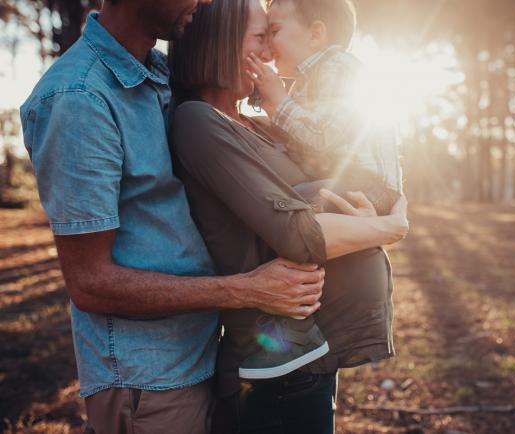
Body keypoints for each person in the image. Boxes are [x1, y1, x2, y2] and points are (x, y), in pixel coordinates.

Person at [19, 0, 353, 432]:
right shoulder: (77, 99)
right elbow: (89, 283)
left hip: (204, 355)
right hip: (149, 379)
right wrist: (246, 290)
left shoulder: (160, 76)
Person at [168, 0, 408, 432]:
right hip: (272, 369)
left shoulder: (254, 124)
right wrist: (387, 228)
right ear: (221, 44)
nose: (270, 53)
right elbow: (298, 234)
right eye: (261, 37)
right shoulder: (197, 122)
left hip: (314, 350)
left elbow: (332, 166)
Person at [248, 0, 403, 216]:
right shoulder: (307, 80)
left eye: (274, 31)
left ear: (316, 34)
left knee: (284, 205)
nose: (268, 46)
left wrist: (280, 100)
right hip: (344, 179)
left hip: (368, 184)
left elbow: (320, 136)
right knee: (285, 201)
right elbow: (303, 137)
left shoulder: (338, 66)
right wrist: (271, 111)